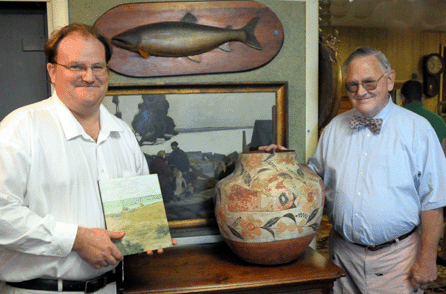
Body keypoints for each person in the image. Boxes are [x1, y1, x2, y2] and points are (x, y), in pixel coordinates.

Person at [0, 23, 175, 294]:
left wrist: (145, 234)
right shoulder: (21, 127)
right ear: (52, 71)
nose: (89, 76)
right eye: (77, 67)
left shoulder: (123, 133)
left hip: (112, 287)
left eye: (98, 67)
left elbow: (136, 215)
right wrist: (76, 239)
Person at [261, 47, 446, 293]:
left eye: (369, 83)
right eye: (352, 85)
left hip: (398, 261)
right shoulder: (334, 128)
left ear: (390, 80)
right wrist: (285, 162)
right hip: (341, 256)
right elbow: (314, 176)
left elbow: (433, 201)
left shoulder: (418, 130)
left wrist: (428, 258)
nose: (360, 92)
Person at [400, 79, 446, 156]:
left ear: (402, 97)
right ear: (423, 97)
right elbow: (444, 154)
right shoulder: (438, 121)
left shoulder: (395, 119)